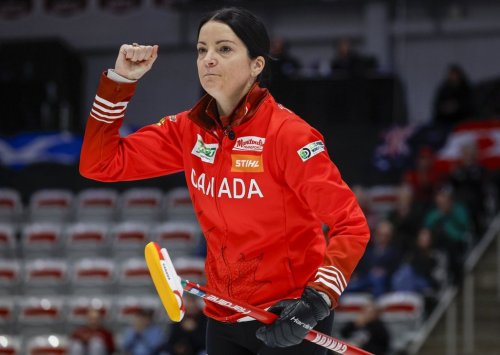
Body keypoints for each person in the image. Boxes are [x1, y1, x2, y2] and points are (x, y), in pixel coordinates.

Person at [80, 7, 369, 354]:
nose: (209, 60)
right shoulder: (188, 131)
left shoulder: (289, 135)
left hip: (287, 317)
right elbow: (99, 163)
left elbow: (350, 225)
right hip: (223, 316)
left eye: (224, 49)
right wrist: (120, 82)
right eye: (202, 50)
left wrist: (318, 300)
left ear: (257, 65)